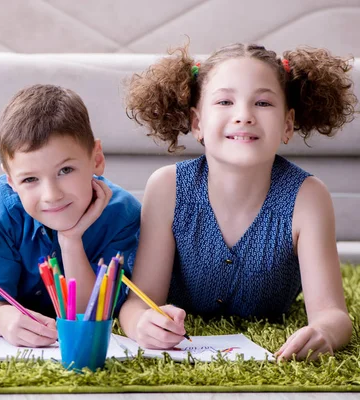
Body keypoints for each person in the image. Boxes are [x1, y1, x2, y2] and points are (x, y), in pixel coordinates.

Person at [118, 42, 357, 361]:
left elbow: (334, 314)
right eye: (225, 101)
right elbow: (139, 300)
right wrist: (140, 323)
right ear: (197, 122)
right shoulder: (167, 188)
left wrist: (324, 331)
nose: (243, 115)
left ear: (287, 124)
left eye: (262, 102)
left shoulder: (308, 197)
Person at [0, 84, 141, 347]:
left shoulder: (122, 214)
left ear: (96, 159)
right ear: (11, 182)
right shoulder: (2, 207)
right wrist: (5, 320)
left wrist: (71, 239)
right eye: (29, 179)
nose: (51, 195)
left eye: (65, 170)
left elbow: (90, 314)